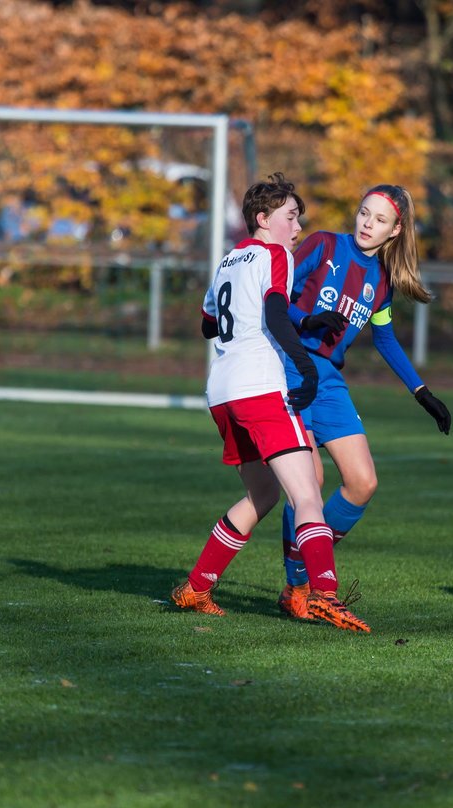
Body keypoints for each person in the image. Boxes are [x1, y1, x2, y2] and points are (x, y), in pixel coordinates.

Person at [170, 172, 370, 632]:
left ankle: (197, 587)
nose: (298, 228)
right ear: (263, 220)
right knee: (307, 494)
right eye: (291, 217)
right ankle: (324, 594)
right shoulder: (274, 254)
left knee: (261, 495)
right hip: (260, 386)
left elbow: (207, 325)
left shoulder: (227, 261)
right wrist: (301, 362)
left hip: (221, 391)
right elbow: (277, 310)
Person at [274, 184, 451, 621]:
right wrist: (306, 318)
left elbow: (385, 338)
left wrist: (421, 391)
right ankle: (299, 587)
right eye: (363, 213)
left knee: (363, 483)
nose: (367, 224)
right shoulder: (323, 245)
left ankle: (302, 565)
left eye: (379, 220)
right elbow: (274, 294)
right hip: (288, 366)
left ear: (395, 231)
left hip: (330, 380)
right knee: (308, 483)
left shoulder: (383, 281)